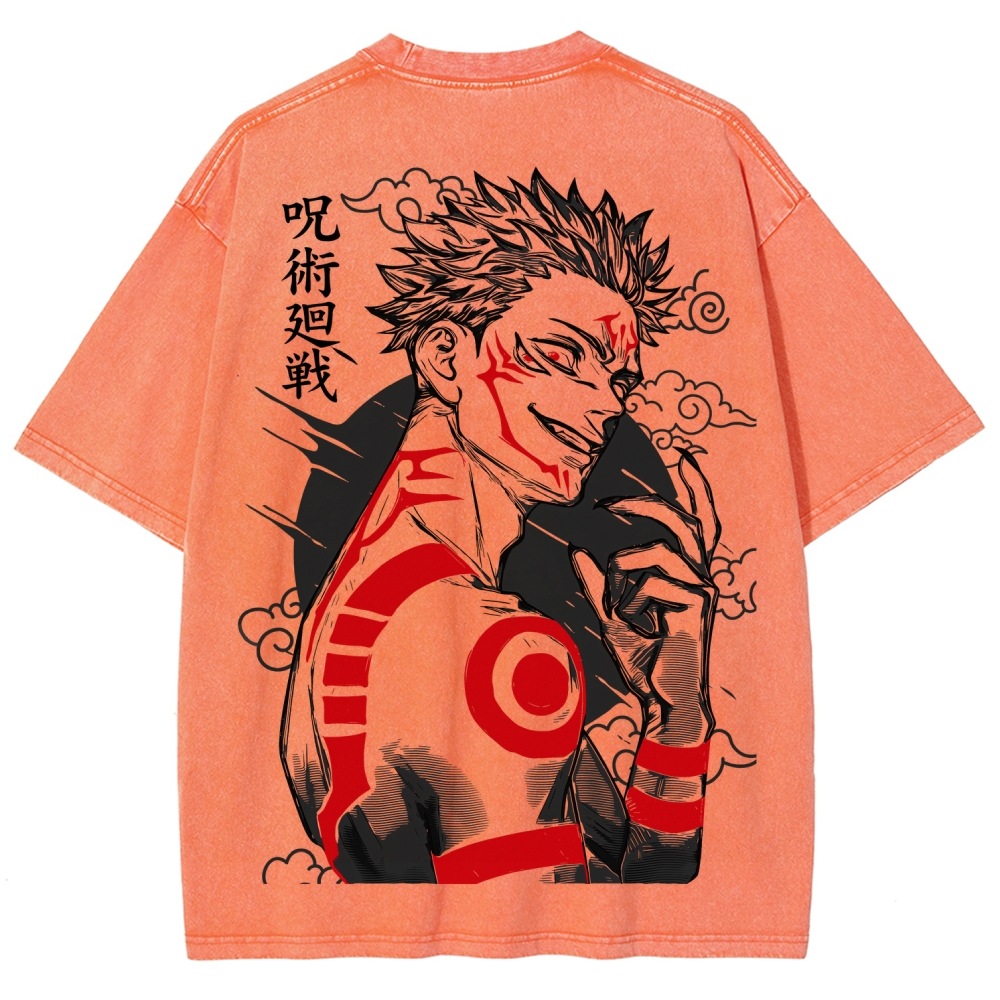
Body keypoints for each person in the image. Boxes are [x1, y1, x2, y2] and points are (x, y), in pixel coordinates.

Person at [281, 170, 721, 884]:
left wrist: (672, 713)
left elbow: (614, 875)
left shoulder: (358, 601)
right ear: (445, 357)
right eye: (564, 356)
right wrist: (683, 718)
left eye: (618, 379)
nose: (609, 405)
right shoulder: (500, 650)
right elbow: (600, 928)